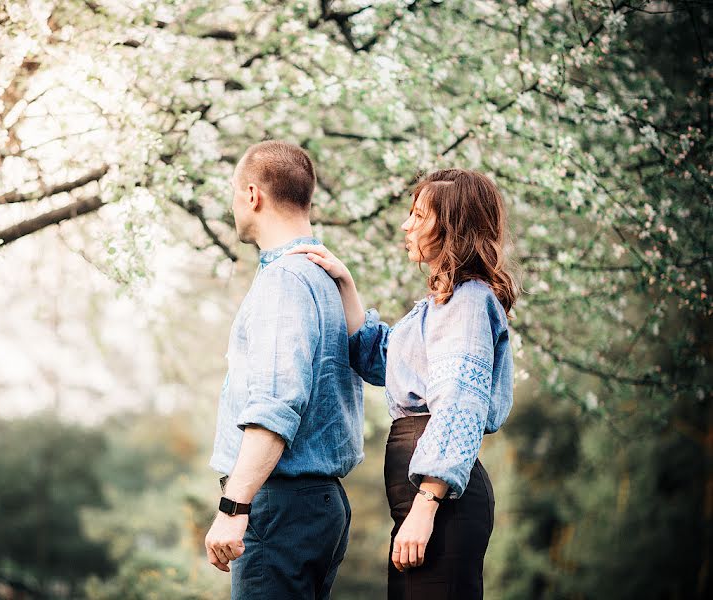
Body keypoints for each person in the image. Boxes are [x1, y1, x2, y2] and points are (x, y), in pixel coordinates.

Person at [288, 169, 518, 599]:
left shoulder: (467, 303)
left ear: (451, 227)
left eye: (418, 215)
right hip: (426, 495)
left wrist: (427, 504)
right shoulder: (440, 305)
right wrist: (345, 284)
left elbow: (458, 405)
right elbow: (381, 360)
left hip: (440, 499)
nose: (405, 224)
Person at [205, 140, 365, 599]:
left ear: (253, 194)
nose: (234, 203)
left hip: (282, 505)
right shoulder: (321, 276)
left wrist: (234, 506)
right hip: (316, 506)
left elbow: (276, 404)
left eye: (235, 191)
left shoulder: (285, 281)